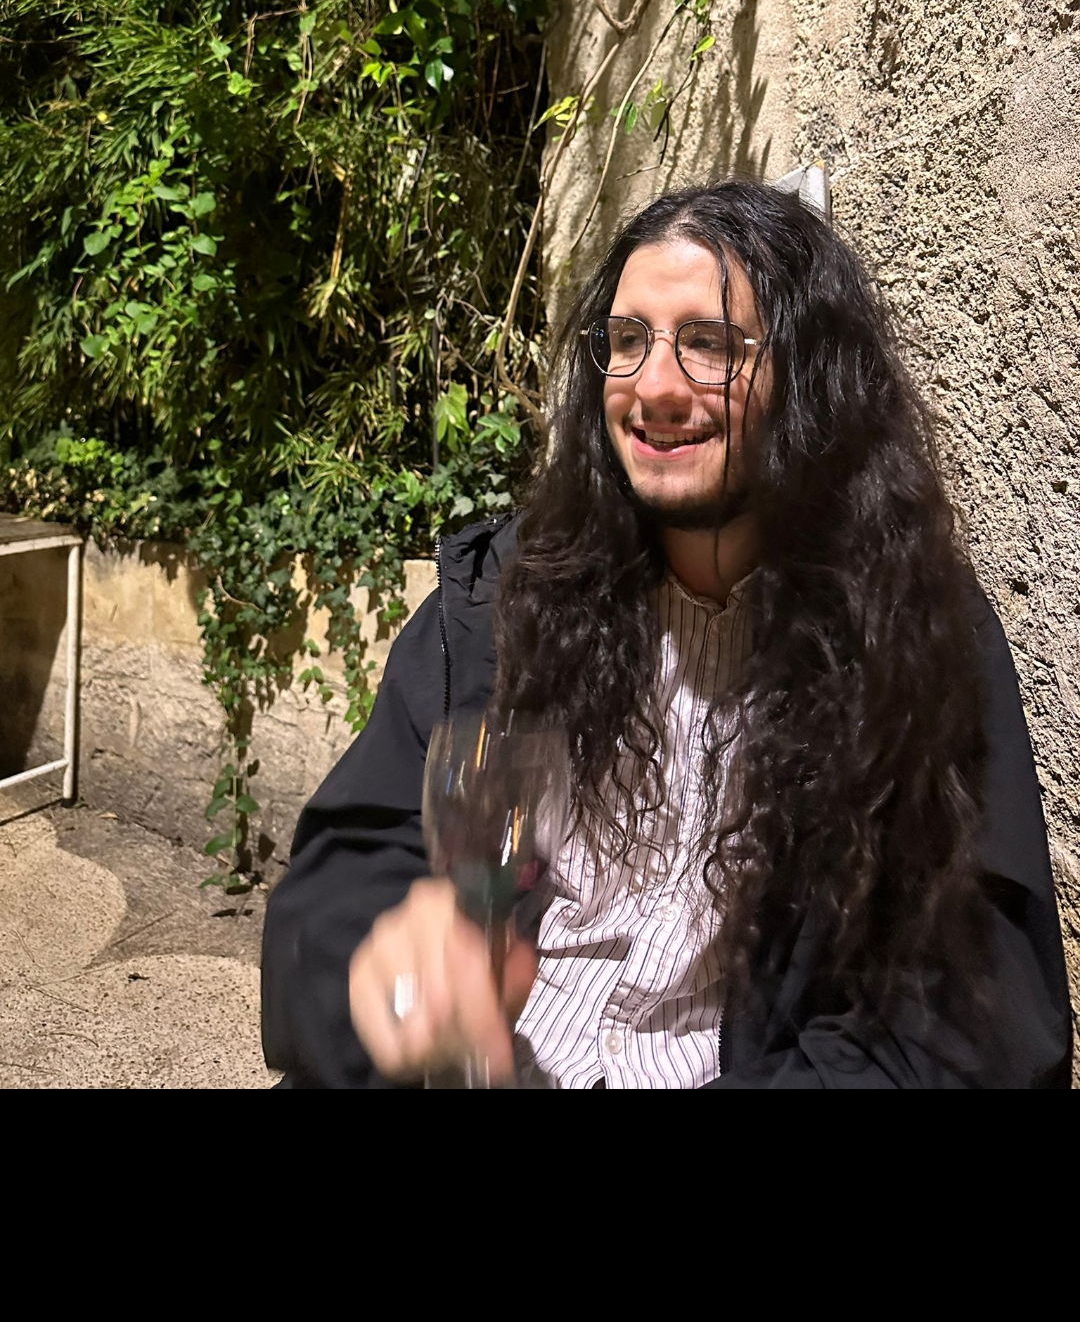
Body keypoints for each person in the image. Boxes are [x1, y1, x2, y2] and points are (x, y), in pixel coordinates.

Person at [260, 180, 1073, 1089]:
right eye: (627, 340)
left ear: (808, 378)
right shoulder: (504, 603)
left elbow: (963, 1014)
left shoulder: (908, 635)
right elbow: (345, 875)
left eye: (709, 344)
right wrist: (377, 972)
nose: (653, 387)